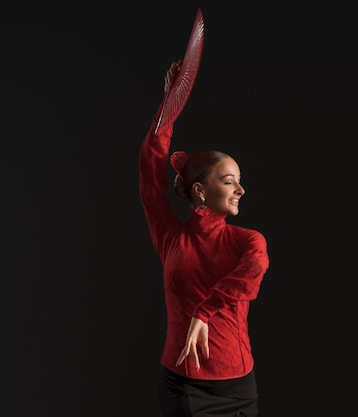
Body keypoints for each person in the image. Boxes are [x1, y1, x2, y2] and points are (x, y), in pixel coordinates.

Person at [138, 59, 270, 417]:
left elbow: (252, 273)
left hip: (239, 384)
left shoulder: (248, 241)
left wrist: (204, 311)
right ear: (200, 190)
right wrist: (170, 101)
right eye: (229, 181)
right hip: (184, 384)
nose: (241, 189)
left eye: (239, 180)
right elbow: (150, 170)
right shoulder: (170, 236)